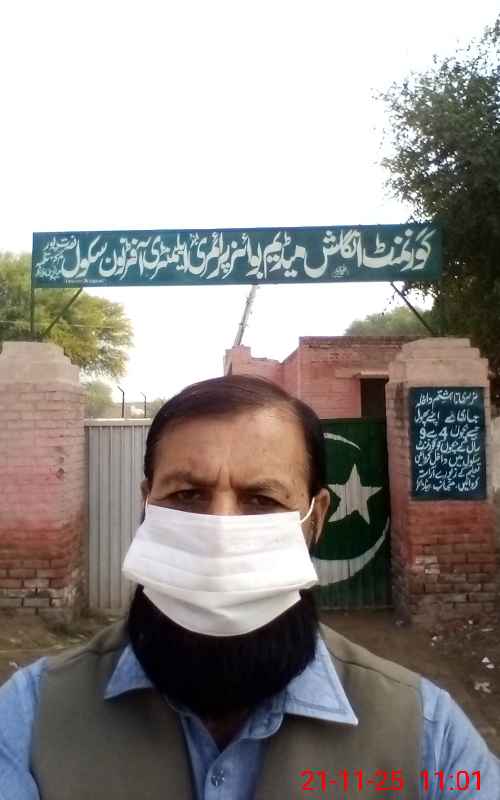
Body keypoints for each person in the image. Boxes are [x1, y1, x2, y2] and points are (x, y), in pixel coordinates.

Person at [0, 375, 498, 799]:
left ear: (316, 518)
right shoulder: (28, 717)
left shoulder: (427, 737)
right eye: (187, 495)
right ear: (145, 504)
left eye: (262, 500)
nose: (221, 530)